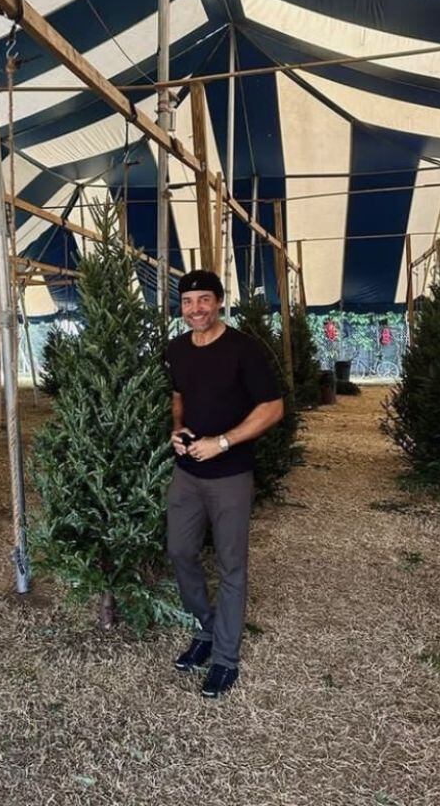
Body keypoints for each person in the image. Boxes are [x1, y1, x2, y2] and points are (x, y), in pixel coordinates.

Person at [165, 270, 284, 699]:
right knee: (179, 550)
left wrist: (224, 442)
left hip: (231, 475)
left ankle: (225, 658)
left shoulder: (243, 349)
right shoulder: (176, 349)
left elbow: (273, 408)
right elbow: (179, 393)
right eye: (188, 301)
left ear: (218, 302)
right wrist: (177, 429)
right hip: (187, 473)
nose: (195, 309)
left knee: (232, 566)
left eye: (204, 300)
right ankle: (207, 627)